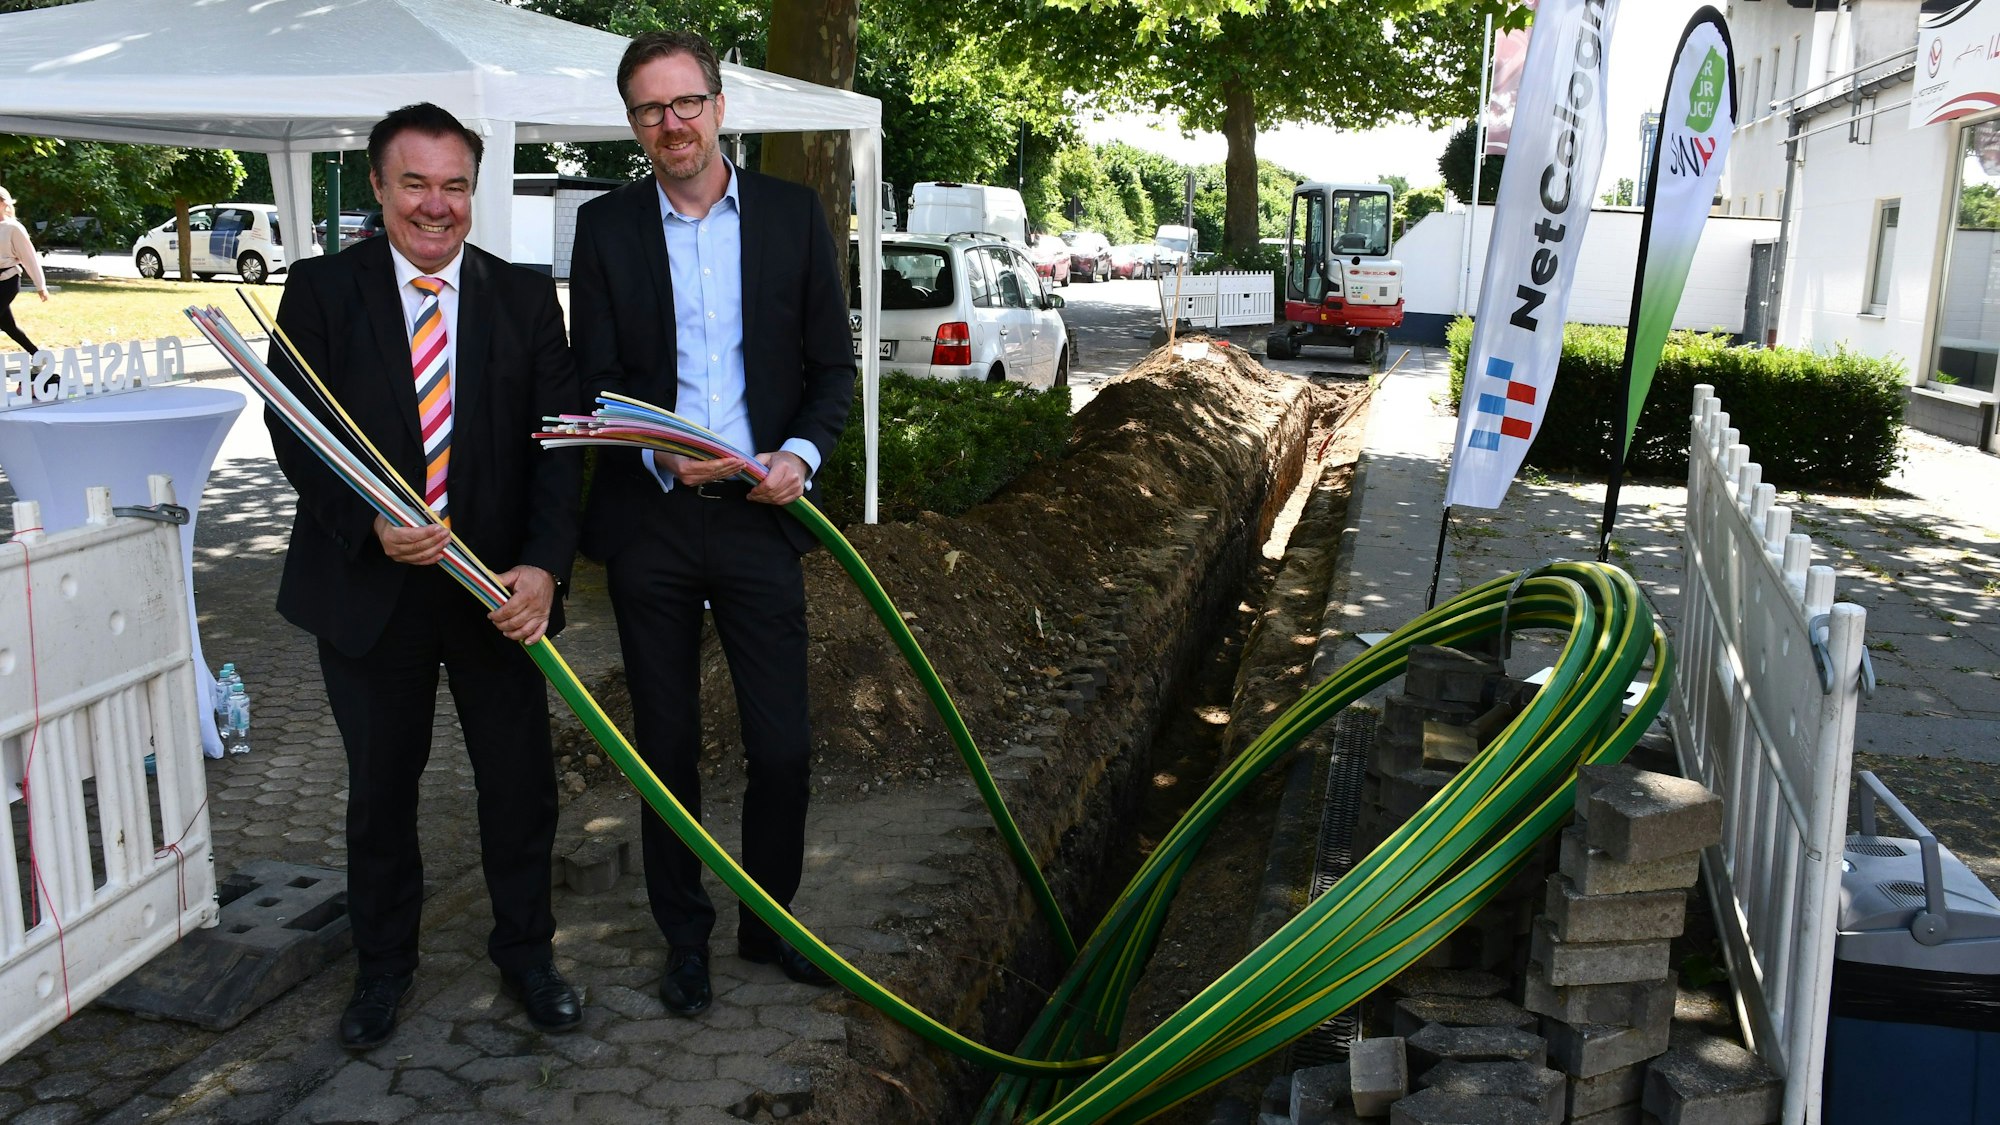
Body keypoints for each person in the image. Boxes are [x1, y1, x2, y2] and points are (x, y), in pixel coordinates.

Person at [264, 102, 585, 1049]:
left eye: (454, 186)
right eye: (416, 183)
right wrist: (365, 523)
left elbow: (558, 448)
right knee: (380, 794)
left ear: (473, 193)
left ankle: (528, 955)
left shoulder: (526, 297)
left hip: (497, 596)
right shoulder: (321, 289)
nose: (436, 206)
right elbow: (295, 432)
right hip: (370, 593)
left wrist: (545, 568)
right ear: (378, 185)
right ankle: (383, 969)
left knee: (520, 786)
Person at [568, 29, 855, 1018]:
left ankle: (768, 924)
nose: (671, 124)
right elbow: (594, 380)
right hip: (650, 523)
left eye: (685, 103)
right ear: (634, 125)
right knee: (665, 748)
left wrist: (798, 458)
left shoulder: (790, 215)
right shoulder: (605, 229)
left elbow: (832, 371)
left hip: (755, 519)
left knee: (780, 748)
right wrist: (651, 449)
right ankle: (681, 938)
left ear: (719, 107)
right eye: (650, 110)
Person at [0, 186, 50, 375]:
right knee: (7, 325)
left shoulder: (13, 228)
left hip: (8, 281)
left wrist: (40, 286)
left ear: (4, 204)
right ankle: (37, 355)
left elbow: (29, 258)